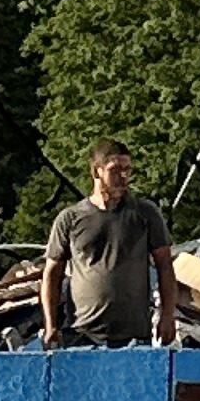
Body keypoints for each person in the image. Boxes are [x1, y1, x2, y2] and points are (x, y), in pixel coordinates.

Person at [40, 142, 180, 349]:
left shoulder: (145, 213)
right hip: (81, 333)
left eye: (127, 170)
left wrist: (167, 315)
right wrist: (50, 324)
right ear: (96, 171)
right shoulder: (70, 218)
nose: (123, 177)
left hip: (133, 333)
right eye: (115, 170)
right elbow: (52, 274)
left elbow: (165, 266)